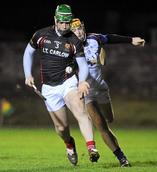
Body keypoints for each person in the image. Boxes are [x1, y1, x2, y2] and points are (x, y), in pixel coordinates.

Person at [23, 4, 100, 166]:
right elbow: (28, 52)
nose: (65, 26)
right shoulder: (41, 35)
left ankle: (91, 147)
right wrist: (28, 74)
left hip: (68, 82)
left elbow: (83, 65)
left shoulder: (74, 40)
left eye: (67, 22)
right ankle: (69, 144)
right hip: (49, 88)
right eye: (61, 22)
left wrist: (81, 82)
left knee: (80, 109)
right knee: (61, 128)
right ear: (55, 20)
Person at [70, 18, 145, 167]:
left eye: (80, 28)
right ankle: (122, 159)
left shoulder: (94, 38)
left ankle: (105, 120)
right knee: (101, 126)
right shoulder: (69, 47)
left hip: (102, 88)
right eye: (74, 30)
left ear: (83, 28)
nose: (78, 32)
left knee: (110, 119)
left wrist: (131, 40)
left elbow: (110, 37)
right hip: (88, 92)